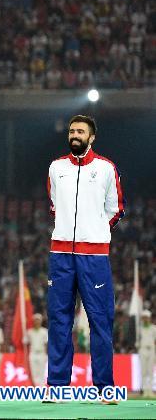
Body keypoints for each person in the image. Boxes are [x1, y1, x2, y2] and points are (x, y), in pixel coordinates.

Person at [46, 115, 123, 402]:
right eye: (71, 130)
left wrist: (97, 231)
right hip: (61, 254)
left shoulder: (106, 168)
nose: (74, 134)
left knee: (100, 320)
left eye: (80, 131)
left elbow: (116, 209)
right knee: (58, 320)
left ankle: (105, 388)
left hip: (95, 255)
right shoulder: (56, 168)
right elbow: (54, 205)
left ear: (91, 137)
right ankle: (57, 388)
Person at [25, 314, 48, 386]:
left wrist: (46, 354)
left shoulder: (44, 331)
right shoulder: (29, 332)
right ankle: (36, 387)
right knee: (34, 372)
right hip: (32, 354)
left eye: (38, 320)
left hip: (42, 353)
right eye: (35, 320)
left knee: (41, 371)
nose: (37, 322)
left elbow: (46, 343)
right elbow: (25, 342)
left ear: (41, 321)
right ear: (33, 321)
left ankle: (41, 387)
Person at [138, 310, 154, 398]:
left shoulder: (153, 328)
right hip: (142, 350)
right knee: (143, 371)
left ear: (149, 318)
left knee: (150, 371)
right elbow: (137, 341)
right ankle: (144, 391)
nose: (145, 320)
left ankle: (150, 391)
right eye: (144, 318)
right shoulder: (139, 329)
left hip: (151, 350)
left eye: (147, 318)